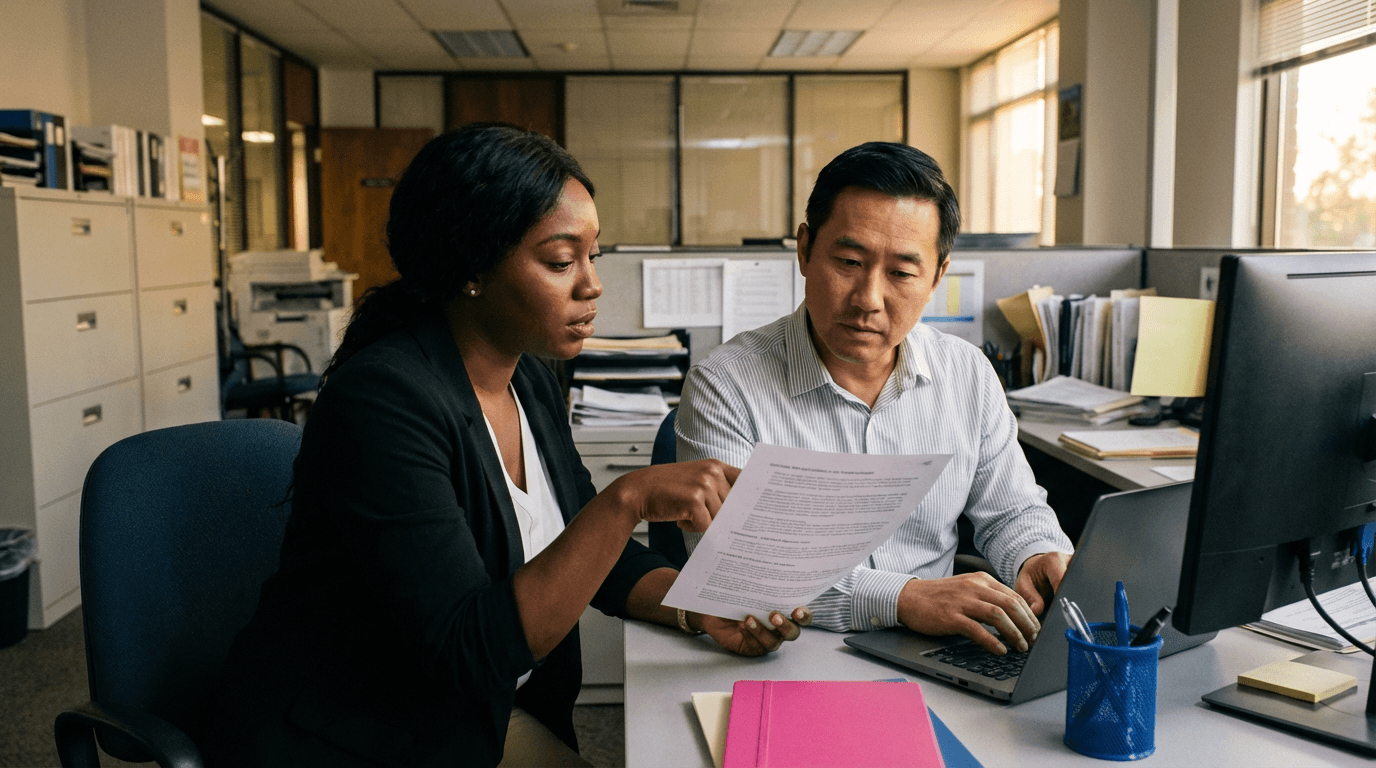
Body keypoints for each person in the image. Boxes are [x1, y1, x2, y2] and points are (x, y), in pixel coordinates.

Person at [206, 123, 808, 768]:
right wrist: (626, 500)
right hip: (360, 735)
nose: (591, 285)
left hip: (470, 720)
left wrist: (703, 610)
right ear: (471, 268)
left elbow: (586, 553)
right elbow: (468, 650)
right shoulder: (382, 402)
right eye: (559, 261)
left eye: (592, 256)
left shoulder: (528, 378)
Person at [675, 142, 1073, 657]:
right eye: (848, 261)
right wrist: (904, 598)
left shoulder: (967, 374)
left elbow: (1011, 509)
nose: (868, 299)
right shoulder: (726, 384)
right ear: (803, 250)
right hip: (787, 655)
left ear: (936, 278)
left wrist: (1035, 554)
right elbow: (737, 568)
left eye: (902, 273)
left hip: (938, 654)